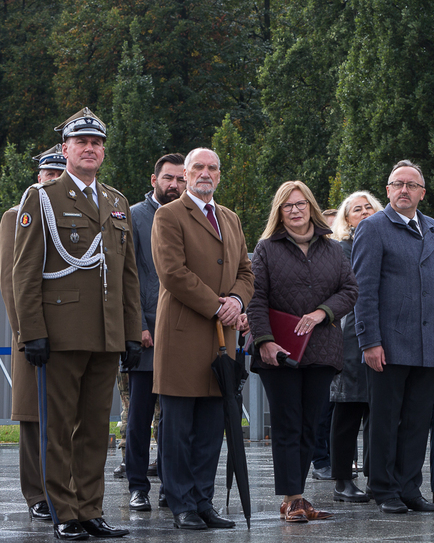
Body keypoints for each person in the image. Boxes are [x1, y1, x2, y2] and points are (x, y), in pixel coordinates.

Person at [13, 108, 142, 539]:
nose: (90, 149)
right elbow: (25, 273)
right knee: (58, 429)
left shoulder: (116, 201)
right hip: (62, 333)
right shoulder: (43, 198)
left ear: (103, 152)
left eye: (97, 143)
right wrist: (32, 332)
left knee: (94, 430)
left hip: (106, 334)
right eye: (81, 143)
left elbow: (127, 275)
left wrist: (130, 331)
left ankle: (90, 509)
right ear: (65, 150)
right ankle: (64, 512)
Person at [151, 147, 254, 530]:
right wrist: (219, 305)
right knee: (178, 428)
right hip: (183, 335)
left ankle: (203, 500)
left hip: (222, 340)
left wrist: (238, 300)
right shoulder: (170, 214)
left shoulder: (230, 217)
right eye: (198, 167)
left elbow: (246, 270)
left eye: (213, 167)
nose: (205, 173)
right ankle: (181, 504)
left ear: (219, 175)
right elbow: (172, 273)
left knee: (213, 425)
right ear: (187, 173)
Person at [248, 180, 358, 522]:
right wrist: (265, 340)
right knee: (287, 423)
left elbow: (350, 289)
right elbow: (256, 299)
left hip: (322, 349)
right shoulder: (267, 248)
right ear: (279, 213)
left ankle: (296, 497)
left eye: (301, 204)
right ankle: (293, 498)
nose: (295, 211)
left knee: (311, 425)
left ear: (310, 206)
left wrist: (322, 312)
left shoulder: (333, 249)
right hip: (279, 350)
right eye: (287, 206)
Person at [353, 159, 434, 514]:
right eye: (397, 184)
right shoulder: (373, 228)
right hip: (389, 344)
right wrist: (369, 340)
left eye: (411, 185)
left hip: (429, 343)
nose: (403, 190)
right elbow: (363, 290)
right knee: (385, 420)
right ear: (387, 190)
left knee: (417, 421)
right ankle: (383, 488)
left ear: (422, 193)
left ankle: (411, 487)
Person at [0, 144, 65, 523]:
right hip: (35, 333)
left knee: (68, 421)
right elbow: (12, 281)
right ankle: (37, 493)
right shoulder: (17, 214)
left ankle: (65, 491)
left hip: (73, 332)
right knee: (36, 419)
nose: (54, 179)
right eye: (48, 174)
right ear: (38, 177)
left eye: (60, 173)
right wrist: (27, 334)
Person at [125, 153, 186, 512]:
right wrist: (139, 326)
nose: (174, 185)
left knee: (174, 416)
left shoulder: (187, 216)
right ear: (154, 180)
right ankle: (138, 485)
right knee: (140, 415)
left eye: (180, 179)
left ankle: (169, 484)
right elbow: (127, 275)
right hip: (147, 330)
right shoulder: (134, 216)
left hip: (179, 332)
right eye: (168, 178)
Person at [327, 190, 383, 501]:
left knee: (379, 411)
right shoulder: (338, 250)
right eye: (356, 209)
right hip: (348, 337)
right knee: (347, 409)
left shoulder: (385, 243)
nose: (363, 213)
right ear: (346, 219)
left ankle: (376, 476)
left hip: (381, 335)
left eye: (368, 208)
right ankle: (342, 479)